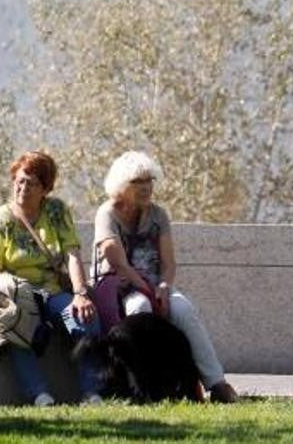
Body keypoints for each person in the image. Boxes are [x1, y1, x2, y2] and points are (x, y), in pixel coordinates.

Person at [90, 150, 240, 403]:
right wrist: (148, 290)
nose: (147, 187)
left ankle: (216, 383)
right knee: (140, 307)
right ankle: (146, 385)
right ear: (121, 185)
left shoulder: (158, 215)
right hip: (121, 286)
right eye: (139, 182)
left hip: (155, 283)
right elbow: (119, 264)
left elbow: (169, 264)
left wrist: (162, 286)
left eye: (150, 181)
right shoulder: (107, 213)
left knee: (183, 309)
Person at [0, 150, 103, 406]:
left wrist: (80, 294)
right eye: (19, 181)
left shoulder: (56, 211)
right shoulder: (0, 219)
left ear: (45, 189)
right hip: (13, 293)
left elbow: (72, 254)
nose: (22, 188)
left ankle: (92, 393)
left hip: (52, 291)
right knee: (17, 323)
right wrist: (11, 293)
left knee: (86, 320)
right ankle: (40, 395)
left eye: (31, 183)